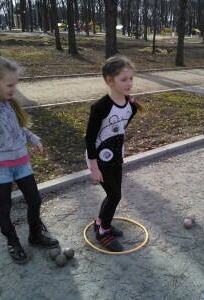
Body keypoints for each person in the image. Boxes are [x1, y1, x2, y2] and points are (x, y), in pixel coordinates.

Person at [0, 55, 59, 264]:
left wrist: (33, 138)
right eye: (9, 85)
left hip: (21, 162)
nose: (13, 89)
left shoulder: (9, 103)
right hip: (0, 166)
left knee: (35, 200)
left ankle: (35, 235)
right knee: (4, 206)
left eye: (15, 84)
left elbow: (17, 127)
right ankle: (12, 241)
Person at [85, 55, 143, 252]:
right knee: (115, 195)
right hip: (99, 159)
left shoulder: (131, 106)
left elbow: (120, 128)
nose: (129, 83)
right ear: (109, 80)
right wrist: (93, 167)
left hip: (117, 156)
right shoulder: (100, 107)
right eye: (123, 79)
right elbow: (90, 139)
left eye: (131, 79)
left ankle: (101, 221)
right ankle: (103, 232)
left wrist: (130, 103)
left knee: (113, 194)